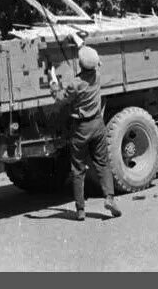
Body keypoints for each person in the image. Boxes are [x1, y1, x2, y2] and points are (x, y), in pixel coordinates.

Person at [48, 41, 122, 221]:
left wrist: (53, 81)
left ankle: (80, 210)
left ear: (80, 64)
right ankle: (109, 198)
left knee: (78, 169)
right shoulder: (97, 76)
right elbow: (97, 63)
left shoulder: (75, 84)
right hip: (97, 125)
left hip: (80, 129)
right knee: (102, 163)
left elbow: (59, 99)